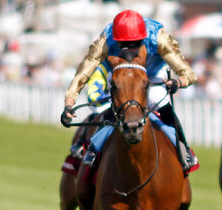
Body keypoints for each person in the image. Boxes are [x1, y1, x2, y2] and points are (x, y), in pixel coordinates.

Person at [61, 9, 199, 173]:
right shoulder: (105, 40)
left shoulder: (158, 37)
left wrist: (179, 81)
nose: (130, 51)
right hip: (121, 70)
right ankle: (91, 148)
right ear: (116, 39)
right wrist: (69, 103)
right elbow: (83, 73)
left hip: (152, 73)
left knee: (159, 101)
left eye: (135, 44)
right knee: (113, 106)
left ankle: (184, 150)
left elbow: (189, 74)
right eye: (124, 45)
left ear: (144, 37)